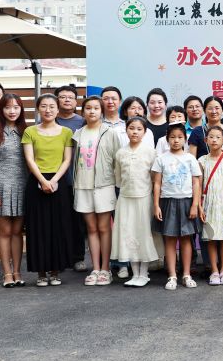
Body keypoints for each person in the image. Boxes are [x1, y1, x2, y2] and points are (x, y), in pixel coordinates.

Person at [22, 94, 75, 287]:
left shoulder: (66, 132)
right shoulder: (30, 131)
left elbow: (67, 160)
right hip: (36, 182)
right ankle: (41, 273)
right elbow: (29, 159)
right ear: (38, 109)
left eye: (52, 106)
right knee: (38, 227)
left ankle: (55, 271)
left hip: (59, 182)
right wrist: (43, 180)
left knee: (58, 227)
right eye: (43, 106)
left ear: (57, 109)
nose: (48, 110)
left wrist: (53, 180)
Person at [72, 96, 121, 286]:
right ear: (83, 111)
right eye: (88, 108)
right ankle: (95, 268)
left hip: (104, 185)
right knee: (91, 229)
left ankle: (106, 269)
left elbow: (117, 160)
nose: (92, 111)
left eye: (96, 108)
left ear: (102, 111)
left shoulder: (110, 133)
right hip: (82, 186)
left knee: (104, 228)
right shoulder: (78, 134)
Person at [0, 94, 28, 288]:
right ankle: (7, 274)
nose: (12, 111)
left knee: (17, 232)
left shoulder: (26, 130)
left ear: (21, 109)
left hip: (22, 185)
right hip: (0, 185)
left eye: (16, 107)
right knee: (5, 231)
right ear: (1, 109)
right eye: (8, 107)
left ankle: (17, 272)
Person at [152, 123, 203, 290]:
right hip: (168, 201)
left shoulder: (190, 158)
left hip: (187, 201)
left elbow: (196, 183)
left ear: (185, 139)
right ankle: (172, 275)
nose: (176, 140)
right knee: (170, 239)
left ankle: (186, 274)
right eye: (172, 137)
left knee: (187, 239)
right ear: (167, 139)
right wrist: (156, 205)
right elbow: (157, 183)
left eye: (180, 137)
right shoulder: (161, 159)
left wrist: (195, 204)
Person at [111, 117, 159, 288]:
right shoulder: (120, 153)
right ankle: (135, 273)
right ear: (126, 130)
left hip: (144, 198)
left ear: (145, 132)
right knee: (128, 234)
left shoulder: (151, 152)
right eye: (131, 128)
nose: (135, 132)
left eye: (139, 129)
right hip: (125, 199)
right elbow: (118, 179)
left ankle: (144, 274)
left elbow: (154, 178)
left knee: (143, 234)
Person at [198, 125, 223, 286]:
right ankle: (214, 271)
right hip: (209, 204)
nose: (214, 140)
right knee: (211, 238)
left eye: (218, 137)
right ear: (205, 140)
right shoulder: (202, 160)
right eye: (211, 137)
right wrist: (199, 206)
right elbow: (199, 185)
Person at [55, 85, 87, 273]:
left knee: (77, 222)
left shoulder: (83, 122)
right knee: (58, 220)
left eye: (70, 97)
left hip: (79, 178)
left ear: (76, 101)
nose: (66, 100)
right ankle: (59, 258)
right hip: (55, 178)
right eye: (62, 97)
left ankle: (78, 257)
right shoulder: (50, 120)